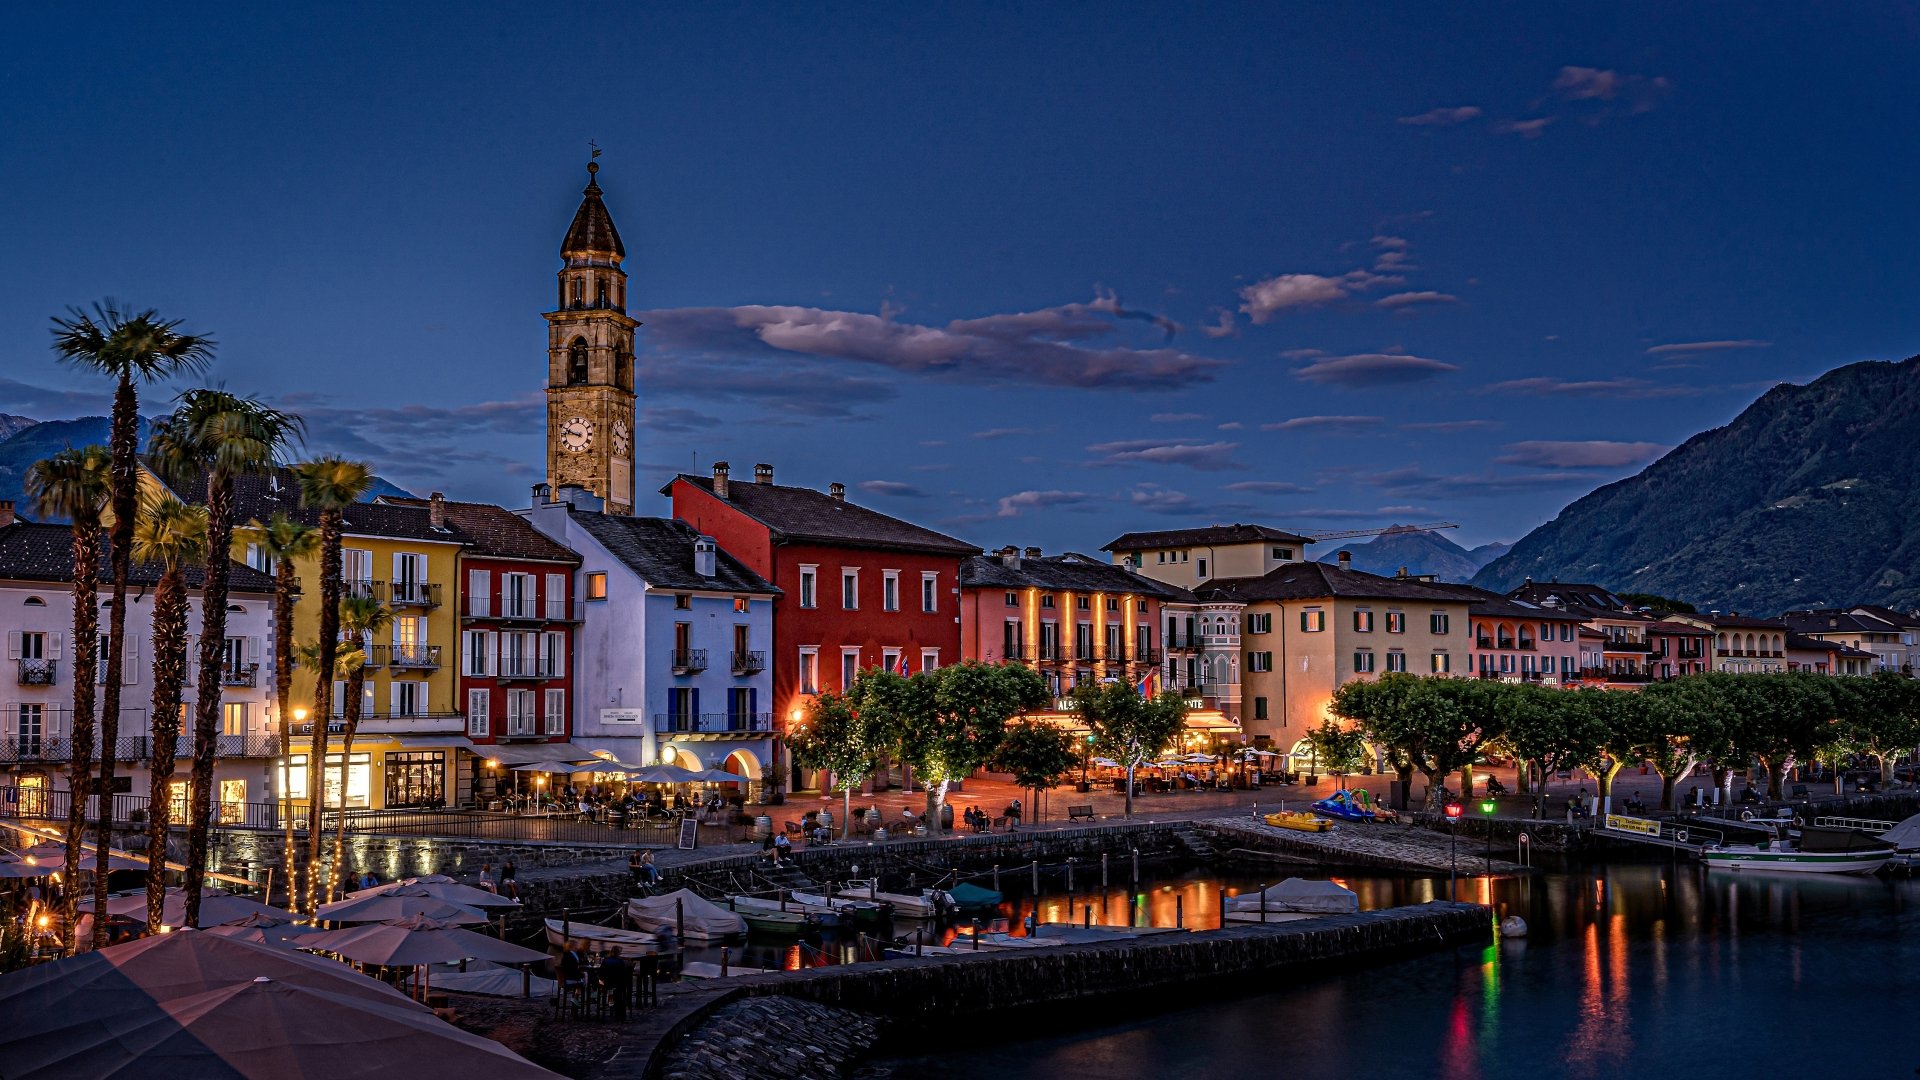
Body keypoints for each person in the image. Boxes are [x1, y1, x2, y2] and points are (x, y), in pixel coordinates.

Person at [598, 945, 631, 1020]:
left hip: (607, 984)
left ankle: (610, 1005)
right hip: (618, 984)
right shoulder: (620, 961)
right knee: (620, 991)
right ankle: (619, 1013)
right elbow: (623, 974)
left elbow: (601, 974)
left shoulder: (605, 961)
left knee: (611, 991)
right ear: (618, 953)